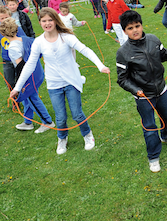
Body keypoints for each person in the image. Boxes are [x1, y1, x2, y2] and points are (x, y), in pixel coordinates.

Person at [10, 8, 110, 155]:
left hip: (71, 81)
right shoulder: (38, 42)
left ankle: (88, 135)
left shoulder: (66, 37)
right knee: (61, 118)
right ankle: (62, 138)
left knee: (77, 114)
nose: (47, 23)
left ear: (56, 20)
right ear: (40, 23)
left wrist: (100, 66)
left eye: (50, 20)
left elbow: (85, 50)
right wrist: (17, 88)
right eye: (44, 21)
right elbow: (29, 65)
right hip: (54, 85)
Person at [116, 10, 167, 173]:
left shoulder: (153, 40)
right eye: (130, 28)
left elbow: (164, 55)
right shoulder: (123, 53)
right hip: (143, 96)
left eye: (137, 26)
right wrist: (136, 90)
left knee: (166, 117)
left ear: (141, 25)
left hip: (161, 90)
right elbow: (122, 79)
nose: (135, 30)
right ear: (125, 31)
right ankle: (153, 157)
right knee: (149, 126)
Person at [0, 18, 55, 133]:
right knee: (26, 98)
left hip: (28, 76)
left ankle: (47, 122)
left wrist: (20, 84)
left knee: (32, 97)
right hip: (37, 72)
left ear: (3, 34)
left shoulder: (13, 48)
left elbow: (21, 66)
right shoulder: (25, 39)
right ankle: (28, 121)